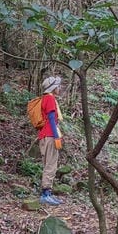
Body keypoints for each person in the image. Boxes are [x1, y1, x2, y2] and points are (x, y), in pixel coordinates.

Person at [37, 76, 64, 205]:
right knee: (51, 165)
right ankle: (45, 195)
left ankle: (47, 193)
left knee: (48, 164)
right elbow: (52, 118)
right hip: (49, 135)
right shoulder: (50, 98)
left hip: (44, 135)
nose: (60, 88)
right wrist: (56, 136)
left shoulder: (44, 98)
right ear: (54, 88)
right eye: (58, 86)